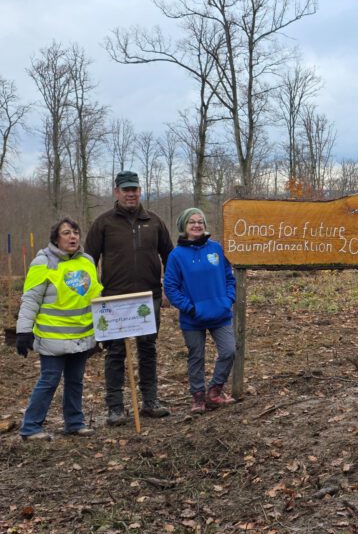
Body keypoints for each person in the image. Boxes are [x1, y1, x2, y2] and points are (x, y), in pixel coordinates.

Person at [84, 170, 174, 426]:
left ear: (140, 191)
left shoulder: (154, 222)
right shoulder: (103, 223)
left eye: (134, 189)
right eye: (126, 190)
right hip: (114, 300)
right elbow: (88, 261)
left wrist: (167, 288)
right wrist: (94, 292)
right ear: (117, 192)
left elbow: (170, 256)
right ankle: (115, 407)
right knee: (114, 352)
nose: (131, 194)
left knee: (148, 349)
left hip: (148, 297)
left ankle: (150, 401)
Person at [16, 217, 103, 440]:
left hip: (82, 334)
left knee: (76, 381)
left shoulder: (87, 261)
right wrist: (23, 331)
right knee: (49, 380)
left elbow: (95, 296)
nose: (72, 237)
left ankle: (74, 423)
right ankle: (31, 427)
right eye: (66, 233)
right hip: (52, 337)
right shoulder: (43, 262)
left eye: (75, 232)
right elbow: (31, 299)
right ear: (56, 238)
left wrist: (104, 329)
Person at [164, 208, 237, 413]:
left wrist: (228, 300)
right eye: (192, 222)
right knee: (196, 357)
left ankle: (214, 391)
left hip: (220, 313)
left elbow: (229, 278)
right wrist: (190, 308)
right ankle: (197, 397)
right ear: (184, 226)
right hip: (193, 317)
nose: (197, 225)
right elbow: (170, 287)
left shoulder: (216, 248)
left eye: (200, 222)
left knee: (229, 351)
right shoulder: (176, 255)